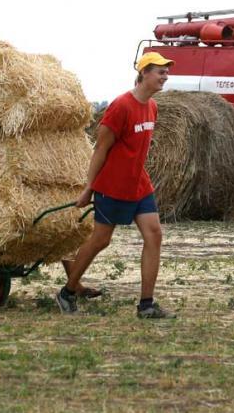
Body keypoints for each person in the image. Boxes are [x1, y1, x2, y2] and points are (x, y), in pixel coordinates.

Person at [56, 52, 176, 319]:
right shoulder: (121, 106)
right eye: (160, 72)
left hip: (139, 184)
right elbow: (100, 149)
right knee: (101, 240)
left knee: (154, 234)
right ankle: (67, 291)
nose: (165, 77)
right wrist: (89, 188)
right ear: (144, 72)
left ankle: (146, 305)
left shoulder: (152, 107)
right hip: (113, 185)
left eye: (166, 72)